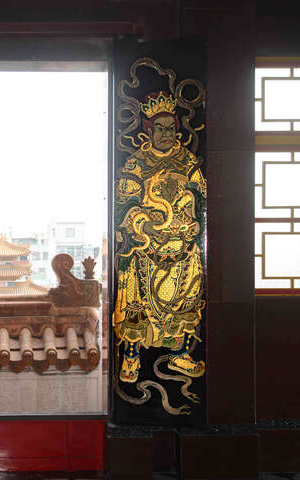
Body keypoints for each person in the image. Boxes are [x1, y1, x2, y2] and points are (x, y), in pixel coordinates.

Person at [113, 91, 206, 383]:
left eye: (170, 128)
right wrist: (145, 226)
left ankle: (182, 354)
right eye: (159, 129)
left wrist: (196, 222)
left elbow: (201, 200)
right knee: (136, 305)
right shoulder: (136, 165)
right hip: (148, 248)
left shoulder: (188, 162)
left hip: (183, 247)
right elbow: (123, 206)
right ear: (148, 132)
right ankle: (131, 357)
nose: (166, 134)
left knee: (189, 299)